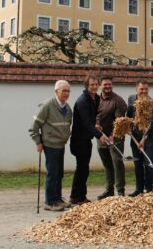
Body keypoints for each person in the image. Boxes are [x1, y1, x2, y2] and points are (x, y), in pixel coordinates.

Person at [29, 80, 72, 211]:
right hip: (50, 144)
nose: (66, 93)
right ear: (56, 91)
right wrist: (38, 142)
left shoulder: (67, 108)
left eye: (68, 91)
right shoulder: (47, 105)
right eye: (63, 90)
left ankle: (58, 198)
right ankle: (50, 201)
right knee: (52, 173)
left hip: (60, 144)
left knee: (59, 173)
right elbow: (34, 126)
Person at [70, 74, 109, 205]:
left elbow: (92, 119)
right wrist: (100, 135)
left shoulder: (96, 98)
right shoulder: (83, 101)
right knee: (82, 168)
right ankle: (77, 197)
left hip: (86, 139)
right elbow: (86, 122)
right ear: (87, 86)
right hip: (78, 140)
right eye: (91, 84)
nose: (94, 87)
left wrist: (96, 125)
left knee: (83, 168)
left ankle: (79, 195)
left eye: (95, 84)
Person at [95, 76, 128, 199]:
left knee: (117, 164)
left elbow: (119, 121)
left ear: (112, 85)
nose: (107, 86)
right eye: (105, 84)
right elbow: (96, 114)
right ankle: (109, 190)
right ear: (100, 85)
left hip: (116, 138)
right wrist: (97, 125)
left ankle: (120, 191)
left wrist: (112, 136)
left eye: (109, 84)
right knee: (107, 165)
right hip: (101, 138)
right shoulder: (96, 99)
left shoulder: (118, 100)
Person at [126, 80, 153, 197]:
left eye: (146, 89)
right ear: (136, 89)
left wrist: (144, 138)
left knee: (148, 163)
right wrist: (127, 127)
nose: (144, 91)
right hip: (135, 137)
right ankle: (139, 189)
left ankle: (149, 189)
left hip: (149, 138)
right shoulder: (131, 99)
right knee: (137, 163)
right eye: (141, 89)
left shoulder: (152, 103)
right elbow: (128, 115)